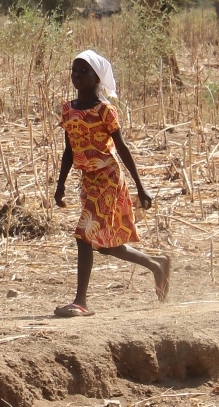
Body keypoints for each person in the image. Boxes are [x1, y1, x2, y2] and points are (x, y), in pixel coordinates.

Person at [53, 51, 171, 317]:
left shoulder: (105, 110)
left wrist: (140, 187)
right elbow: (69, 151)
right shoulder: (68, 109)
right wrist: (60, 185)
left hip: (108, 178)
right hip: (88, 180)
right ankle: (157, 264)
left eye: (83, 72)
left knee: (84, 235)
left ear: (97, 77)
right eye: (74, 71)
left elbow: (122, 148)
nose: (77, 76)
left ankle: (80, 302)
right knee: (105, 245)